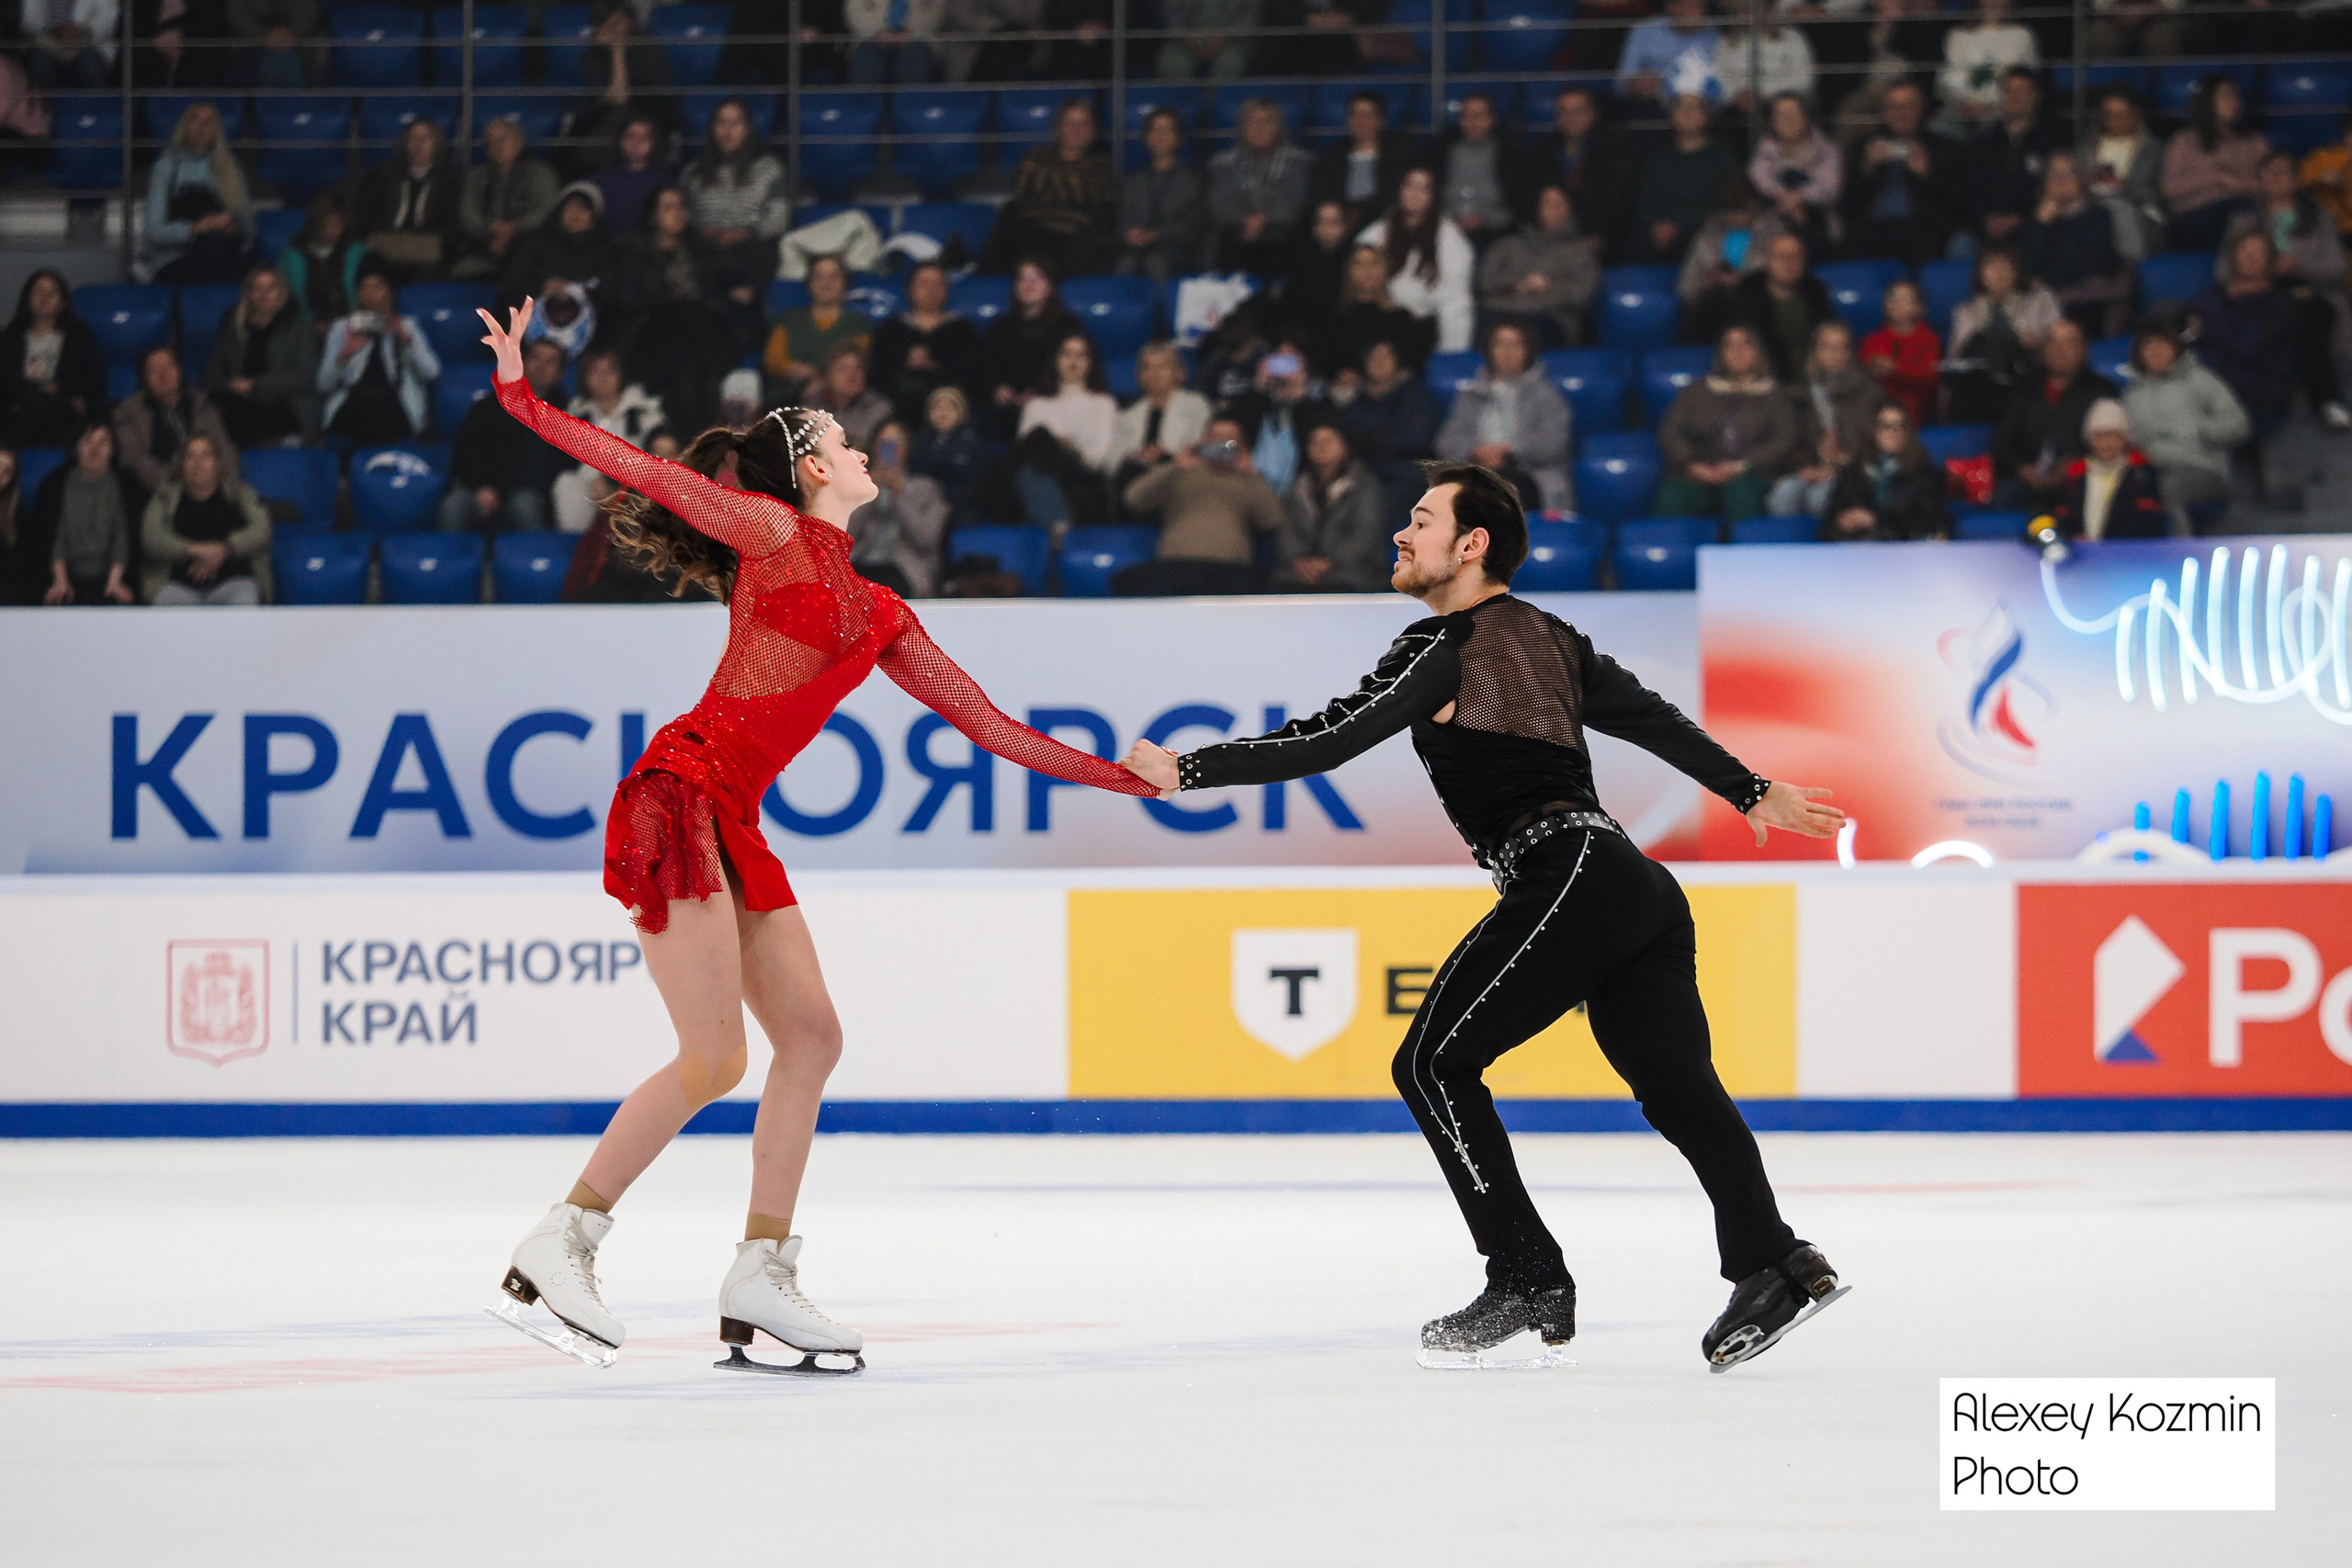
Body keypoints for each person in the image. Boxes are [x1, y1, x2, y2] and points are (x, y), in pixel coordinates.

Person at [476, 298, 1159, 1373]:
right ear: (806, 466)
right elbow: (645, 471)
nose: (860, 446)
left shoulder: (881, 608)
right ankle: (560, 1241)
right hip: (682, 791)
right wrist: (521, 394)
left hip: (732, 816)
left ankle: (761, 1274)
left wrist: (1128, 778)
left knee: (811, 1039)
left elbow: (990, 725)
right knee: (713, 1055)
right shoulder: (772, 532)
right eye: (841, 439)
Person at [1116, 464, 1847, 1371]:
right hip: (1632, 885)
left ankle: (1526, 1273)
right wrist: (1747, 790)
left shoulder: (1442, 649)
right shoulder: (1554, 637)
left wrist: (1188, 771)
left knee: (1429, 1062)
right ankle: (1777, 1261)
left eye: (1419, 520)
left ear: (1472, 545)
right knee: (1681, 1093)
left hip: (1566, 870)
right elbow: (1652, 719)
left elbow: (1326, 737)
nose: (1399, 534)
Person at [2216, 152, 2352, 430]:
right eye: (2271, 174)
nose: (2279, 180)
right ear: (2260, 181)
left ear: (2296, 179)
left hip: (2311, 290)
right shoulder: (2245, 221)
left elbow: (2338, 268)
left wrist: (2301, 267)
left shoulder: (2320, 218)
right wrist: (2260, 269)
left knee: (2311, 313)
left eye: (2285, 173)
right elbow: (2222, 272)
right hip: (2262, 292)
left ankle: (2326, 401)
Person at [616, 185, 763, 434]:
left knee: (698, 367)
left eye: (682, 207)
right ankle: (699, 437)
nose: (678, 213)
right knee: (686, 370)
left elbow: (731, 277)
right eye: (669, 207)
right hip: (653, 337)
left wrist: (742, 288)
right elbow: (628, 302)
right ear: (653, 216)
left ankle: (702, 439)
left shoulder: (700, 250)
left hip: (701, 335)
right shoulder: (632, 254)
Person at [2190, 230, 2348, 439]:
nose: (2251, 257)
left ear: (2271, 260)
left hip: (2253, 390)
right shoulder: (2212, 294)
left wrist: (2207, 324)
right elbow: (2190, 336)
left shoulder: (2281, 303)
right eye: (2245, 250)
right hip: (2204, 383)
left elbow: (2245, 345)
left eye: (2260, 252)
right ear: (2232, 256)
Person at [1116, 416, 1283, 594]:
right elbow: (1133, 499)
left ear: (1241, 445)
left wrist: (1251, 475)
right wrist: (1175, 466)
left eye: (1229, 440)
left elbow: (1272, 521)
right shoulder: (1181, 471)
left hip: (1230, 569)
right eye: (1215, 437)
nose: (1222, 444)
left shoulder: (1248, 479)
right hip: (1176, 565)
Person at [1654, 326, 1800, 525]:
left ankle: (1744, 553)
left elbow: (1784, 439)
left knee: (1741, 492)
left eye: (1745, 344)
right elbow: (1670, 431)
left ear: (1757, 351)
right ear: (1721, 354)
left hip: (1751, 475)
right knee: (1674, 493)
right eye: (1730, 346)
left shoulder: (1774, 395)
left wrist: (1743, 465)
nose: (1738, 351)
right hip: (1700, 472)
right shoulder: (1697, 391)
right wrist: (1693, 466)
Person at [2120, 322, 2248, 536]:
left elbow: (2239, 424)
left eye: (2163, 344)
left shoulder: (2201, 380)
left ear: (2176, 349)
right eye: (2148, 346)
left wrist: (2199, 430)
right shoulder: (2131, 395)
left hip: (2202, 468)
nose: (2156, 351)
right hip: (2150, 469)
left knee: (2171, 488)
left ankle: (2181, 554)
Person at [1434, 321, 1572, 513]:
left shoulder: (1547, 396)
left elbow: (1553, 443)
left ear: (1527, 350)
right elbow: (1447, 441)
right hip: (1476, 471)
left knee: (1500, 487)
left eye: (1515, 344)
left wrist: (1510, 449)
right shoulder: (1470, 395)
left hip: (1529, 475)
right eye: (1500, 344)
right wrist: (1477, 452)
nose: (1507, 351)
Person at [443, 335, 571, 534]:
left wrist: (502, 491)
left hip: (528, 493)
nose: (541, 366)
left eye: (551, 361)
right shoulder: (488, 406)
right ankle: (450, 563)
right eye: (536, 358)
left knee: (526, 505)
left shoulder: (567, 415)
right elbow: (465, 453)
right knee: (454, 505)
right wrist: (482, 487)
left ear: (561, 373)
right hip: (480, 487)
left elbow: (553, 469)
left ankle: (532, 563)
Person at [1836, 80, 1965, 269]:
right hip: (1873, 232)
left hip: (1922, 231)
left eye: (1908, 106)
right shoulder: (1863, 148)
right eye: (1894, 106)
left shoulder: (1943, 149)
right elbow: (1846, 205)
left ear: (1921, 110)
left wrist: (1926, 175)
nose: (1901, 113)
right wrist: (1867, 169)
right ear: (1884, 112)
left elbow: (1956, 206)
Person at [1989, 320, 2116, 511]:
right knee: (2002, 502)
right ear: (2043, 350)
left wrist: (2073, 465)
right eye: (2053, 342)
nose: (2060, 350)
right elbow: (2003, 439)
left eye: (2069, 343)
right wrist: (2022, 468)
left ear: (2083, 350)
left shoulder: (2102, 391)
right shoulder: (2023, 389)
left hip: (2082, 478)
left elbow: (2112, 441)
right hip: (2025, 479)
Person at [987, 97, 1118, 277]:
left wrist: (1045, 181)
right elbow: (1022, 186)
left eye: (1083, 123)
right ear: (1058, 128)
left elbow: (1082, 195)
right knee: (1011, 215)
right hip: (1030, 232)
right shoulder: (1036, 155)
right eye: (1069, 122)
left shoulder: (1099, 164)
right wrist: (1069, 183)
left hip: (1071, 239)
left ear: (1092, 131)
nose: (1075, 129)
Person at [1768, 321, 1885, 520]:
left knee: (1820, 498)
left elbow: (1874, 441)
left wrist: (1840, 466)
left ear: (1850, 352)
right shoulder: (1798, 394)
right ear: (1815, 352)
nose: (1835, 354)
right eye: (1828, 347)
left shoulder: (1870, 394)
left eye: (1841, 347)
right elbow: (1786, 440)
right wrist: (1804, 467)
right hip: (1807, 468)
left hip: (1852, 472)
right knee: (1783, 494)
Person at [317, 259, 441, 446]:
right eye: (364, 287)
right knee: (367, 413)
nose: (371, 294)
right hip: (353, 404)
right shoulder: (342, 328)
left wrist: (405, 339)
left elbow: (432, 372)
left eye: (378, 287)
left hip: (395, 404)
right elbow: (323, 385)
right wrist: (344, 355)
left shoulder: (407, 326)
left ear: (390, 292)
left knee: (379, 414)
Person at [140, 434, 269, 604]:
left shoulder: (239, 492)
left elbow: (262, 529)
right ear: (181, 464)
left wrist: (225, 549)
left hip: (234, 582)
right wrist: (194, 550)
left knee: (245, 603)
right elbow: (151, 537)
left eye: (205, 455)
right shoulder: (165, 495)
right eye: (190, 456)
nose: (197, 463)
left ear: (217, 462)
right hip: (177, 585)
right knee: (165, 610)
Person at [1360, 168, 1476, 355]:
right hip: (1377, 326)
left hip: (1421, 330)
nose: (1415, 194)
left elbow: (1455, 304)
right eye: (1409, 185)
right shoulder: (1375, 234)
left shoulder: (1451, 240)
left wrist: (1451, 356)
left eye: (1424, 188)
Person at [551, 345, 667, 533]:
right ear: (584, 378)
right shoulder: (576, 413)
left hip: (634, 490)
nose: (603, 377)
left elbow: (662, 445)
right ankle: (577, 547)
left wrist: (624, 488)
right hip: (593, 490)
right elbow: (566, 459)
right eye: (595, 371)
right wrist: (593, 480)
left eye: (610, 370)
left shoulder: (641, 410)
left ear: (621, 375)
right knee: (566, 483)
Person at [203, 265, 320, 446]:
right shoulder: (232, 326)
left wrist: (256, 384)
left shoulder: (299, 327)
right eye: (257, 288)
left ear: (281, 292)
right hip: (239, 401)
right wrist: (231, 383)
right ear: (248, 294)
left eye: (271, 288)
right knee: (226, 410)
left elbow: (304, 377)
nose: (264, 294)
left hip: (285, 402)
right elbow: (212, 374)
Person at [1012, 331, 1117, 534]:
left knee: (1044, 443)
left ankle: (1058, 528)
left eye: (1081, 355)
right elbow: (1023, 451)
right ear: (1055, 360)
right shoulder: (1036, 404)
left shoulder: (1104, 403)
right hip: (1044, 474)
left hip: (1082, 475)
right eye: (1066, 354)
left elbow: (1102, 454)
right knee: (1036, 452)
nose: (1073, 361)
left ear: (1091, 362)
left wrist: (1070, 447)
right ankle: (1059, 526)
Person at [1942, 246, 2060, 425]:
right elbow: (1955, 360)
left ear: (2018, 272)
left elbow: (2058, 347)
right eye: (1991, 267)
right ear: (1980, 274)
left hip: (2023, 383)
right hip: (1979, 389)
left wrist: (2035, 344)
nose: (1999, 273)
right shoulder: (1965, 312)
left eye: (2006, 266)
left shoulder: (2038, 302)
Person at [1476, 184, 1600, 351]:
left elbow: (1584, 294)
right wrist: (1519, 285)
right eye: (1547, 203)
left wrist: (1546, 290)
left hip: (1548, 317)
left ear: (1570, 208)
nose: (1553, 209)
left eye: (1559, 203)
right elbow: (1485, 282)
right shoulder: (1507, 244)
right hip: (1499, 313)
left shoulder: (1580, 250)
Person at [1517, 86, 1635, 262]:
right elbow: (1530, 197)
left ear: (1593, 114)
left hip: (1600, 240)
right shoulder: (1542, 150)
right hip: (1549, 238)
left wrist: (1599, 235)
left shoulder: (1615, 149)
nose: (1571, 118)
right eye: (1564, 112)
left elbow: (1620, 201)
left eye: (1578, 111)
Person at [141, 100, 253, 285]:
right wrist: (197, 228)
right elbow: (153, 231)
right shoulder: (166, 167)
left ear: (216, 130)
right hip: (176, 257)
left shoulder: (229, 169)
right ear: (184, 126)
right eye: (194, 120)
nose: (200, 127)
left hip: (221, 249)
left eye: (207, 122)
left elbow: (248, 228)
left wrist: (230, 224)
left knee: (221, 249)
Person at [2019, 152, 2129, 339]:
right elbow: (2028, 266)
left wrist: (2047, 282)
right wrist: (2040, 224)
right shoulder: (2039, 220)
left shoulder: (2098, 216)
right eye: (2054, 174)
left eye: (2067, 174)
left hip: (2084, 303)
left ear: (2080, 179)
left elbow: (2091, 264)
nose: (2060, 181)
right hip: (2043, 304)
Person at [113, 343, 239, 502]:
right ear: (143, 378)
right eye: (154, 371)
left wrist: (215, 483)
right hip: (161, 494)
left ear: (179, 370)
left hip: (212, 487)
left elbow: (225, 449)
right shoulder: (128, 413)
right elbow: (135, 459)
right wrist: (180, 488)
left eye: (169, 367)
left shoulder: (202, 403)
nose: (163, 375)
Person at [1676, 173, 1790, 349]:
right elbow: (1686, 287)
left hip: (1758, 311)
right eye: (1731, 212)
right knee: (1715, 300)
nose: (1736, 218)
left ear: (1755, 205)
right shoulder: (1707, 236)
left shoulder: (1775, 233)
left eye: (1742, 210)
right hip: (1714, 310)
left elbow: (1784, 281)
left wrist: (1743, 281)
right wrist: (1712, 280)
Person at [1272, 420, 1387, 592]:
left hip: (1352, 572)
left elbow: (1365, 535)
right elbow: (1286, 530)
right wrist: (1299, 561)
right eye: (1315, 441)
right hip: (1301, 574)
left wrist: (1328, 563)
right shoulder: (1297, 488)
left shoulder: (1365, 487)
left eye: (1328, 441)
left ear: (1345, 448)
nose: (1320, 446)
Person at [0, 268, 107, 450]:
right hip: (21, 410)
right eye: (39, 292)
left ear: (63, 303)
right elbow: (5, 380)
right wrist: (40, 391)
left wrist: (61, 389)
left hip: (63, 411)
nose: (44, 298)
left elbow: (95, 377)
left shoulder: (79, 338)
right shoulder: (10, 338)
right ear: (27, 299)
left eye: (52, 293)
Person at [977, 258, 1081, 439]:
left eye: (1038, 278)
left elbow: (1076, 370)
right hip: (1006, 411)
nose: (1029, 284)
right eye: (1022, 278)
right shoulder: (999, 328)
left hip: (1053, 406)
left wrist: (1041, 391)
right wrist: (998, 389)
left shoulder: (1069, 327)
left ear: (1051, 286)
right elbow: (985, 369)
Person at [1342, 336, 1443, 525]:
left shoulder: (1417, 398)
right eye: (1374, 357)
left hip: (1404, 480)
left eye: (1386, 356)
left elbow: (1415, 441)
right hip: (1362, 478)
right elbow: (1348, 443)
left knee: (1370, 508)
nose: (1380, 362)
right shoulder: (1357, 403)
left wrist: (1372, 441)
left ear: (1397, 361)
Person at [1206, 99, 1313, 276]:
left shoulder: (1299, 162)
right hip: (1237, 233)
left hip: (1282, 234)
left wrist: (1265, 218)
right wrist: (1245, 220)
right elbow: (1219, 203)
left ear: (1278, 126)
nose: (1259, 128)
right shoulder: (1222, 164)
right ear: (1242, 127)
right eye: (1253, 122)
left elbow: (1296, 201)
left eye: (1266, 122)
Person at [2161, 76, 2266, 254]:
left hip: (2242, 213)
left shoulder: (2252, 142)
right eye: (2226, 97)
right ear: (2208, 102)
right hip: (2193, 218)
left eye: (2236, 97)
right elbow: (2170, 189)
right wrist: (2217, 178)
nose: (2234, 102)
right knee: (2233, 214)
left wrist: (2241, 184)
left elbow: (2269, 182)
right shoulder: (2185, 141)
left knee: (2241, 214)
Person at [37, 422, 137, 606]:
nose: (94, 448)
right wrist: (60, 580)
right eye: (87, 441)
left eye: (103, 442)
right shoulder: (55, 485)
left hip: (113, 577)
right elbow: (53, 537)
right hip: (65, 576)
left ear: (113, 450)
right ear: (76, 447)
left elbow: (123, 537)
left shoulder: (126, 485)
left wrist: (115, 581)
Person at [351, 118, 462, 281]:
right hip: (388, 244)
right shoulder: (384, 176)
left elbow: (451, 222)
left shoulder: (450, 180)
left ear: (436, 144)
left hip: (428, 247)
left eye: (425, 139)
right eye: (413, 139)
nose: (418, 145)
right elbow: (367, 214)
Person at [868, 262, 978, 428]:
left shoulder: (962, 329)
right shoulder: (892, 329)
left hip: (947, 413)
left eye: (938, 284)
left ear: (946, 290)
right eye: (924, 283)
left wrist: (934, 366)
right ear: (910, 289)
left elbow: (972, 376)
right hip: (897, 413)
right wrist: (906, 365)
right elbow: (877, 375)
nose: (931, 290)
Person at [454, 116, 560, 283]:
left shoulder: (541, 173)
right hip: (484, 246)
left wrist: (513, 228)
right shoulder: (476, 176)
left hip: (530, 249)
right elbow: (467, 213)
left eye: (503, 139)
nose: (497, 146)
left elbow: (548, 210)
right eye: (491, 142)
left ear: (519, 141)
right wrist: (492, 229)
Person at [2041, 399, 2168, 540]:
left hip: (2126, 554)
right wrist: (2072, 537)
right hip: (2080, 554)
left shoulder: (2141, 472)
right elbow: (2062, 513)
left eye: (2112, 436)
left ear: (2124, 438)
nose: (2106, 444)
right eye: (2099, 436)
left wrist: (2110, 543)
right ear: (2088, 438)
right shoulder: (2075, 472)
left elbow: (2148, 520)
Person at [845, 420, 948, 595]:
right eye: (883, 442)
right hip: (862, 561)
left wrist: (898, 494)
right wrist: (870, 492)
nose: (889, 449)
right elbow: (846, 535)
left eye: (896, 442)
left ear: (908, 447)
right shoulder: (860, 488)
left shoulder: (925, 489)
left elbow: (926, 540)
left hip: (903, 568)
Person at [1970, 69, 2069, 248]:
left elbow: (2056, 189)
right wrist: (1986, 219)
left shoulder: (2053, 142)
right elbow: (1973, 187)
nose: (2014, 97)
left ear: (2035, 95)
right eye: (2009, 90)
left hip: (2035, 225)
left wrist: (2019, 219)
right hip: (1985, 228)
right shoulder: (1984, 142)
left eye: (2022, 91)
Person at [1723, 232, 1837, 387]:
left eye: (1796, 257)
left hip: (1816, 383)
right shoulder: (1747, 297)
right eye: (1782, 257)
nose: (1789, 263)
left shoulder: (1816, 294)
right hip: (1766, 385)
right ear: (1767, 260)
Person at [1820, 402, 1946, 541]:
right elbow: (1830, 518)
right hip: (1853, 548)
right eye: (1887, 426)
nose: (1894, 432)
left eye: (1901, 426)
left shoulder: (1925, 474)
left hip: (1902, 549)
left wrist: (1875, 521)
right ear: (1874, 430)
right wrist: (1845, 520)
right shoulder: (1854, 471)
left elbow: (1927, 522)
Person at [1637, 92, 1736, 264]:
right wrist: (1658, 225)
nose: (1687, 114)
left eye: (1695, 108)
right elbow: (1646, 200)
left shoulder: (1722, 159)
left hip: (1700, 231)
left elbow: (1723, 204)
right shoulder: (1657, 158)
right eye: (1681, 107)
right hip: (1656, 231)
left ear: (1707, 116)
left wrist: (1679, 224)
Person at [1317, 243, 1435, 384]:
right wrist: (1339, 375)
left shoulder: (1401, 318)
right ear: (1348, 270)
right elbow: (1323, 361)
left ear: (1386, 269)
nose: (1366, 271)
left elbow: (1412, 365)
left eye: (1374, 263)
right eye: (1359, 264)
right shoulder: (1334, 318)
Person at [763, 254, 871, 405]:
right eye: (818, 277)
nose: (826, 283)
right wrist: (795, 370)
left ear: (845, 283)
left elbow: (859, 364)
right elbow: (773, 361)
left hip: (841, 399)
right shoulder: (790, 319)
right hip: (788, 395)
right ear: (808, 283)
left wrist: (823, 381)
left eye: (834, 277)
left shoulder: (857, 324)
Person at [1108, 339, 1212, 494]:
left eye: (1162, 367)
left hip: (1180, 477)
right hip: (1138, 481)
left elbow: (1211, 448)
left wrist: (1166, 453)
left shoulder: (1197, 406)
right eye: (1148, 368)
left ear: (1180, 372)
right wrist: (1136, 456)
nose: (1155, 374)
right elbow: (1111, 461)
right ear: (1138, 376)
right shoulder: (1127, 415)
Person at [574, 0, 675, 155]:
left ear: (630, 22)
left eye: (618, 23)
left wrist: (618, 49)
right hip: (608, 120)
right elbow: (617, 97)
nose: (615, 31)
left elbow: (657, 94)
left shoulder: (648, 49)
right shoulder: (592, 57)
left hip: (649, 114)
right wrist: (617, 52)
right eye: (608, 25)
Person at [1119, 107, 1206, 285]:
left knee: (1155, 262)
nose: (1160, 136)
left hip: (1177, 250)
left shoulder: (1193, 180)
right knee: (1126, 263)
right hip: (1135, 249)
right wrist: (1130, 233)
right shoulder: (1134, 180)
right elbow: (1123, 218)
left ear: (1179, 137)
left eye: (1166, 130)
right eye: (1155, 129)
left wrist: (1157, 235)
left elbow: (1194, 225)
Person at [1310, 90, 1419, 231]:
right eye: (1355, 115)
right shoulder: (1332, 156)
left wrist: (1359, 213)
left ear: (1381, 120)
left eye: (1368, 115)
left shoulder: (1400, 154)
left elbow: (1395, 194)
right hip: (1340, 224)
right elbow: (1321, 194)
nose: (1360, 121)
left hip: (1385, 222)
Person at [1747, 94, 1841, 256]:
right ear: (1771, 121)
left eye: (1794, 113)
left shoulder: (1826, 150)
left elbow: (1830, 188)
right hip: (1772, 220)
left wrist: (1798, 198)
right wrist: (1783, 196)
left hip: (1817, 222)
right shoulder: (1765, 149)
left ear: (1807, 118)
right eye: (1781, 114)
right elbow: (1757, 176)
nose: (1788, 120)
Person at [501, 183, 616, 313]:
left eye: (583, 209)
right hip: (533, 322)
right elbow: (511, 285)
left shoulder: (606, 250)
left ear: (594, 216)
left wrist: (575, 294)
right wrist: (541, 288)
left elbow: (610, 295)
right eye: (570, 207)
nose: (575, 214)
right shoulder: (535, 242)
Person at [2085, 86, 2165, 257]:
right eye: (2108, 115)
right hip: (2091, 208)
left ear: (2136, 115)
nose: (2113, 120)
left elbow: (2162, 196)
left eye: (2120, 115)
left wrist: (2124, 188)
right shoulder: (2087, 148)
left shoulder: (2153, 150)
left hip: (2137, 213)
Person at [1936, 0, 2037, 136]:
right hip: (1960, 112)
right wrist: (1963, 105)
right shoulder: (1957, 36)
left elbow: (2027, 82)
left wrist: (1994, 108)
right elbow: (1948, 80)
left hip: (2003, 114)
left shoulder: (2023, 36)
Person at [277, 190, 367, 331]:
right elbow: (286, 299)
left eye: (338, 225)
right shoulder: (293, 254)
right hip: (308, 330)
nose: (332, 232)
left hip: (354, 327)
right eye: (325, 225)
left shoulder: (356, 251)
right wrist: (312, 324)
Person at [1858, 276, 1939, 426]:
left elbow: (1930, 379)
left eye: (1905, 299)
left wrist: (1896, 370)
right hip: (1875, 416)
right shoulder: (1872, 340)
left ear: (1920, 307)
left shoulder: (1929, 340)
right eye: (1892, 297)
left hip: (1917, 417)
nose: (1897, 303)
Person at [1438, 93, 1517, 245]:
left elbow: (1517, 204)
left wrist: (1488, 219)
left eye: (1479, 116)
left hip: (1498, 233)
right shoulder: (1442, 152)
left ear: (1492, 120)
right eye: (1467, 116)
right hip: (1448, 230)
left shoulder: (1509, 154)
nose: (1473, 122)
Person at [1615, 0, 1720, 107]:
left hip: (1700, 106)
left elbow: (1721, 83)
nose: (1695, 13)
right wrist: (1638, 84)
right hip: (1652, 105)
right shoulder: (1644, 31)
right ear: (1671, 6)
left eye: (1699, 7)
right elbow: (1621, 83)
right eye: (1689, 6)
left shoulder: (1714, 35)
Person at [1713, 11, 1816, 118]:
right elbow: (1718, 75)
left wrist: (1762, 93)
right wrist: (1736, 94)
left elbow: (1804, 80)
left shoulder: (1793, 38)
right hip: (1735, 106)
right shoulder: (1725, 43)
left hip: (1777, 103)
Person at [910, 384, 989, 524]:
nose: (943, 413)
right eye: (937, 408)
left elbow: (976, 484)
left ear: (961, 412)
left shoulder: (973, 443)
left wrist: (951, 505)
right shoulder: (920, 440)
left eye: (950, 408)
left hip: (960, 506)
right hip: (922, 503)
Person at [1283, 201, 1355, 347]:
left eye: (1333, 222)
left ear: (1345, 227)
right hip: (1301, 337)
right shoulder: (1301, 259)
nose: (1326, 228)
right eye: (1321, 222)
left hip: (1339, 339)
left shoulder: (1353, 261)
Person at [591, 112, 673, 237]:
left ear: (654, 142)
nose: (636, 142)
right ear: (620, 140)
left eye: (643, 137)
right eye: (630, 136)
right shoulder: (600, 182)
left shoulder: (666, 183)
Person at [814, 347, 896, 454]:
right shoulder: (814, 406)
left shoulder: (880, 409)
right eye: (843, 368)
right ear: (828, 376)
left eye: (857, 368)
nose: (852, 373)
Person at [846, 0, 943, 83]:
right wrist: (879, 32)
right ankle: (866, 103)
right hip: (870, 38)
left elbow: (937, 12)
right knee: (868, 62)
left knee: (913, 61)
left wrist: (910, 34)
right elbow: (853, 12)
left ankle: (912, 103)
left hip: (917, 39)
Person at [1156, 0, 1256, 79]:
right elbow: (1171, 13)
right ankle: (1180, 104)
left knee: (1229, 66)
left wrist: (1226, 36)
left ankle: (1218, 102)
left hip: (1232, 42)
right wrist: (1186, 36)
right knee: (1173, 67)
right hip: (1183, 42)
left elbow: (1251, 14)